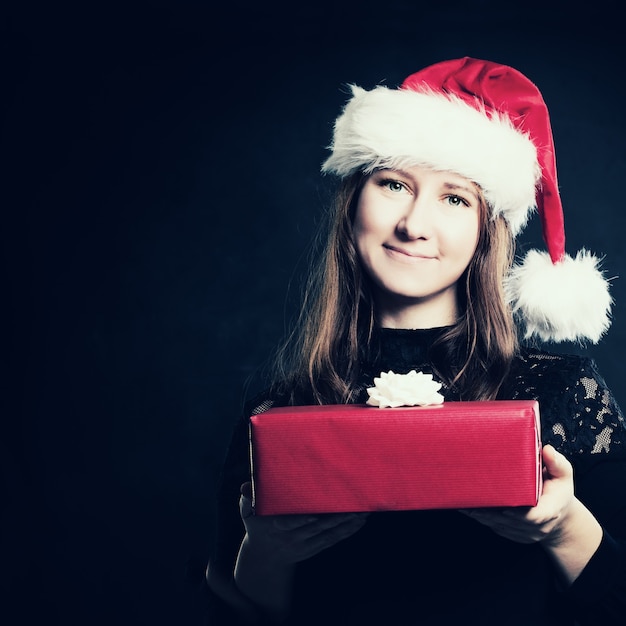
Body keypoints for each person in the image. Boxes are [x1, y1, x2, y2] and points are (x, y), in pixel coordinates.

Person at [204, 57, 626, 625]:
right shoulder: (280, 407)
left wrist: (566, 527)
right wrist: (266, 557)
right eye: (394, 184)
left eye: (455, 198)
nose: (414, 224)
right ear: (354, 201)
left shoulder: (562, 389)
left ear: (485, 232)